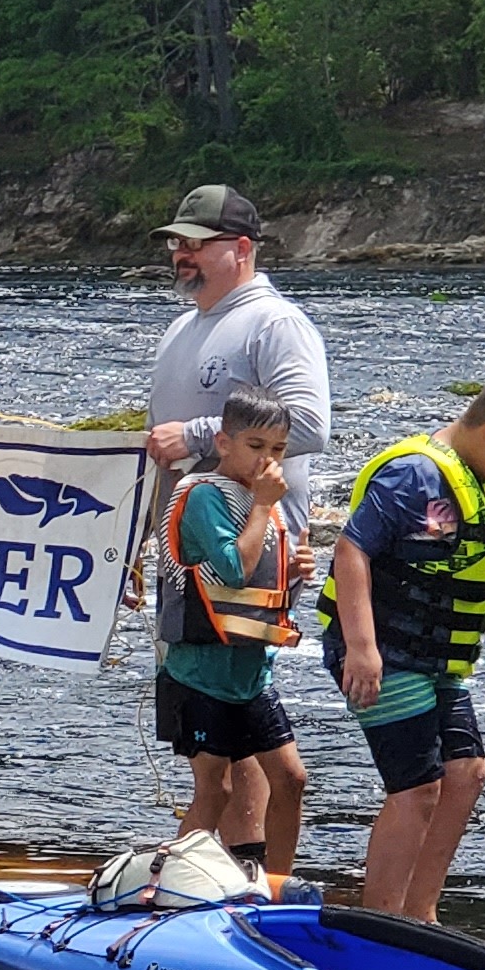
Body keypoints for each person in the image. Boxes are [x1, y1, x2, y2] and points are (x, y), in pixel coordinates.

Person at [138, 183, 330, 881]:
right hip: (190, 548)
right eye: (175, 242)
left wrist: (193, 433)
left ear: (242, 249)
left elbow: (309, 425)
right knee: (208, 715)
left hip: (256, 555)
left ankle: (244, 869)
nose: (179, 254)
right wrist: (144, 550)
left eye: (195, 243)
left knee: (234, 703)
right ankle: (217, 869)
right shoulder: (183, 326)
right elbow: (165, 459)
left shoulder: (275, 323)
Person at [324, 366, 485, 923]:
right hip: (383, 652)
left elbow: (454, 566)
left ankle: (420, 914)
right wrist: (362, 648)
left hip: (439, 659)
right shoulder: (414, 476)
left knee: (467, 773)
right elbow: (351, 551)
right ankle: (382, 924)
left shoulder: (483, 488)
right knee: (418, 788)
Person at [158, 386, 309, 899]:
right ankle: (167, 887)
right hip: (199, 671)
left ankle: (274, 889)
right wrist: (265, 505)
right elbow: (234, 568)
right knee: (215, 790)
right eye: (255, 445)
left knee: (291, 780)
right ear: (223, 443)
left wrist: (298, 573)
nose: (267, 459)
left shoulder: (267, 503)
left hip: (251, 670)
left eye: (278, 450)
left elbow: (268, 581)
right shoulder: (204, 496)